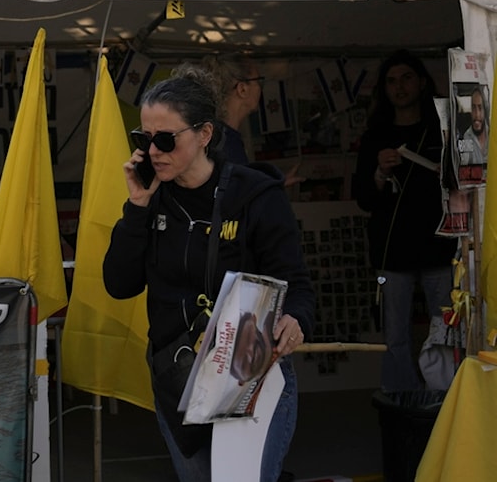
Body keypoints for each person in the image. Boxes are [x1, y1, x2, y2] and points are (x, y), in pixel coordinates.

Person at [102, 74, 314, 482]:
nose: (152, 151)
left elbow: (296, 282)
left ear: (204, 134)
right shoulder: (151, 196)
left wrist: (297, 319)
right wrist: (137, 206)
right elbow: (119, 284)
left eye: (165, 140)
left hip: (247, 371)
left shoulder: (255, 194)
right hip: (177, 377)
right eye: (143, 138)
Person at [352, 49, 457, 392]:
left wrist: (450, 174)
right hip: (391, 252)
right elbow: (364, 199)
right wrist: (380, 172)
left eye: (407, 78)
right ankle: (401, 402)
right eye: (392, 81)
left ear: (423, 83)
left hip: (440, 247)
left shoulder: (441, 127)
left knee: (447, 330)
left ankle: (447, 399)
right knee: (394, 335)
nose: (399, 87)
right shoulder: (375, 136)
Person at [196, 54, 304, 186]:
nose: (260, 88)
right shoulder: (223, 142)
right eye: (258, 81)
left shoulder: (218, 136)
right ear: (242, 89)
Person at [460, 86, 488, 165]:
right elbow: (464, 163)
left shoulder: (493, 134)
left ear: (485, 110)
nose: (476, 114)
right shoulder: (467, 136)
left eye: (480, 108)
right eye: (473, 108)